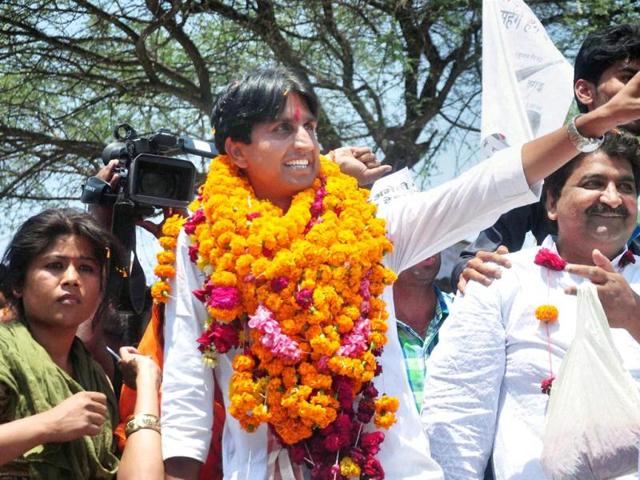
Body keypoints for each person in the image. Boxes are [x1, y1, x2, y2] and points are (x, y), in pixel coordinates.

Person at [158, 65, 640, 480]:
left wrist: (592, 124)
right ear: (236, 151)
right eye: (282, 129)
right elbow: (186, 380)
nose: (305, 143)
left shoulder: (369, 227)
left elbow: (481, 189)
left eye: (310, 128)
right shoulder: (203, 240)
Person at [422, 131, 640, 479]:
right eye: (594, 183)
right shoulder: (500, 280)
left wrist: (635, 317)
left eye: (626, 187)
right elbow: (459, 411)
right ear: (551, 203)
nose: (613, 199)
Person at [453, 24, 640, 293]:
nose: (612, 199)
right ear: (585, 92)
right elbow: (480, 256)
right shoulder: (546, 167)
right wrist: (472, 269)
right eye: (628, 77)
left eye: (626, 186)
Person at [0, 208, 162, 480]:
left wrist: (146, 382)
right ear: (18, 283)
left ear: (100, 289)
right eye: (54, 265)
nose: (72, 278)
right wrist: (49, 424)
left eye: (86, 268)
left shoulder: (96, 379)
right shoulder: (5, 353)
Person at [392, 253, 452, 413]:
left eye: (433, 232)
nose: (427, 238)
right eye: (413, 230)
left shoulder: (466, 314)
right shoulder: (360, 329)